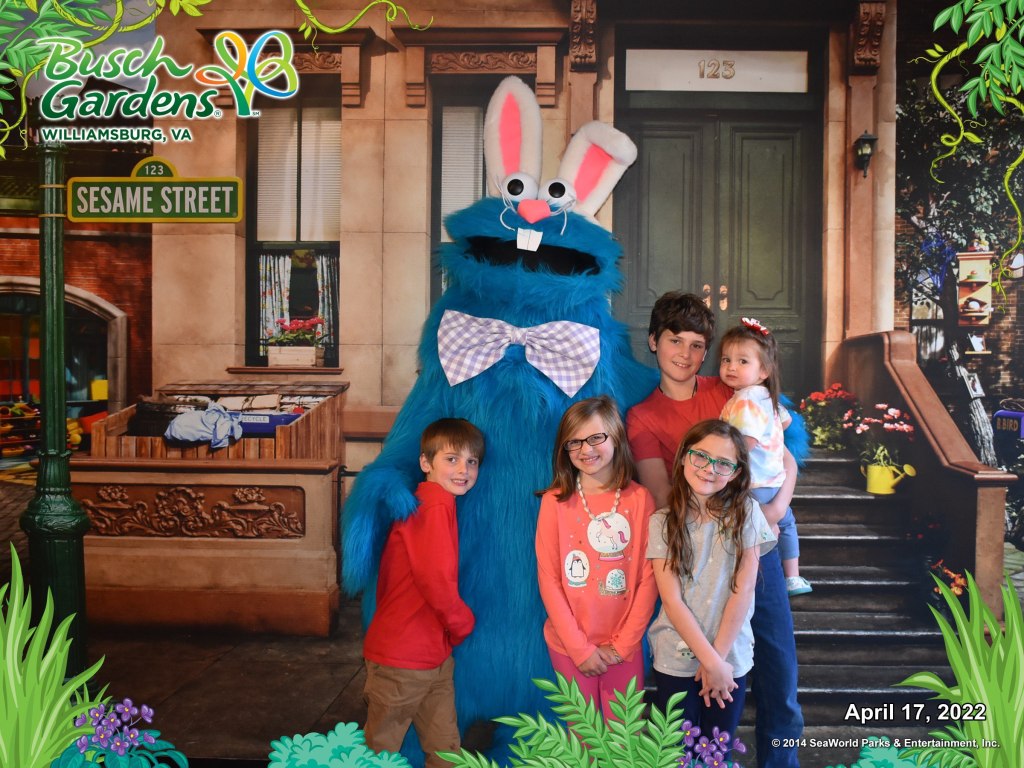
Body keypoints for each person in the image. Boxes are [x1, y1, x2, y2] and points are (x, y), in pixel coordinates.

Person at [626, 290, 804, 768]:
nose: (685, 354)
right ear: (653, 342)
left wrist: (776, 509)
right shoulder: (643, 416)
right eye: (674, 341)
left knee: (779, 670)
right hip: (698, 558)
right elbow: (663, 495)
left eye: (697, 345)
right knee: (699, 680)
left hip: (755, 548)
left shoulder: (731, 390)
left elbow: (782, 454)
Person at [647, 420, 777, 762]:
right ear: (683, 457)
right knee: (678, 754)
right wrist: (710, 661)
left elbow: (743, 590)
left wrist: (717, 663)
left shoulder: (747, 513)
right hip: (675, 658)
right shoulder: (661, 522)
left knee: (716, 752)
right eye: (701, 456)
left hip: (730, 659)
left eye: (723, 463)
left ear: (736, 473)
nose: (709, 469)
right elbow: (672, 600)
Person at [362, 418, 484, 768]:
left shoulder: (435, 503)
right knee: (380, 750)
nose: (463, 470)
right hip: (403, 658)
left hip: (431, 654)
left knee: (445, 746)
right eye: (452, 459)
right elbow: (436, 581)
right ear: (425, 463)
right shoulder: (433, 507)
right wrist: (461, 623)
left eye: (471, 461)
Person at [535, 395, 659, 720]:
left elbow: (648, 579)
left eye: (595, 438)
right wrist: (579, 649)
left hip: (625, 647)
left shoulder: (640, 500)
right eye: (574, 442)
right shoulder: (554, 502)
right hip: (569, 647)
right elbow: (549, 579)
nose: (585, 449)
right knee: (582, 737)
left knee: (624, 735)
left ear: (615, 436)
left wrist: (622, 646)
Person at [719, 318, 812, 597]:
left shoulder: (745, 400)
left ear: (764, 371)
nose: (731, 367)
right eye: (726, 360)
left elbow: (745, 442)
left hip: (754, 481)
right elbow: (785, 422)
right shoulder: (766, 397)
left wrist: (724, 466)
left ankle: (750, 578)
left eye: (742, 361)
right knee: (786, 522)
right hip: (774, 479)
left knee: (749, 531)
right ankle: (792, 576)